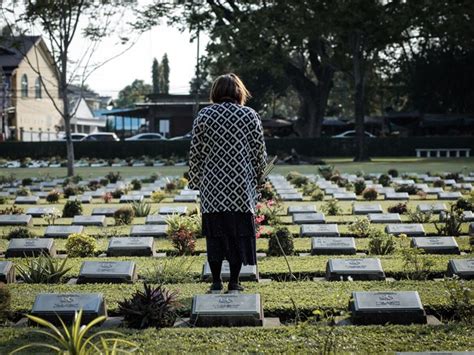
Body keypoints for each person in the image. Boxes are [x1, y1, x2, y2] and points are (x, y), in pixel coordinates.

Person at [188, 73, 267, 292]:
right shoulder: (250, 115)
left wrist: (195, 180)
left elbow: (195, 152)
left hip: (213, 189)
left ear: (215, 92)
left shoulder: (204, 116)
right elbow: (259, 152)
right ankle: (234, 281)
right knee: (237, 236)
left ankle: (215, 281)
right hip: (241, 188)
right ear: (239, 92)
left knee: (215, 236)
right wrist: (261, 179)